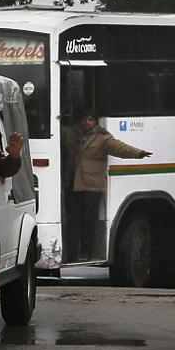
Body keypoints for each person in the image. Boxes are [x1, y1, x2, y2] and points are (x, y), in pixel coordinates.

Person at [68, 107, 152, 261]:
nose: (87, 122)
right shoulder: (75, 135)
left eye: (90, 119)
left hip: (92, 185)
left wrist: (138, 153)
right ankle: (73, 251)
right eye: (84, 119)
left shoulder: (102, 138)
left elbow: (120, 148)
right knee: (75, 219)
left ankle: (87, 252)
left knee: (88, 221)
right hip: (75, 184)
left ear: (95, 122)